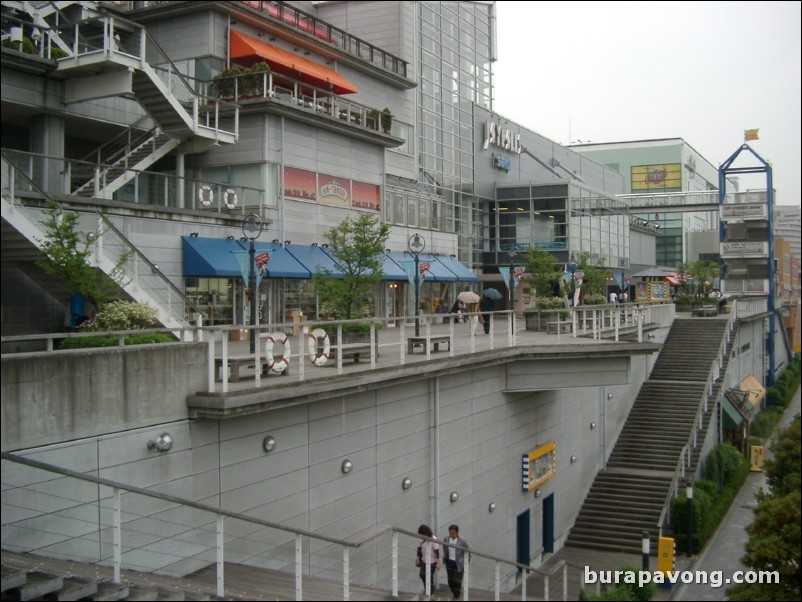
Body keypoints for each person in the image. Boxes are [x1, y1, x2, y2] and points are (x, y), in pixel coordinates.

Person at [442, 524, 469, 600]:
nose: (452, 535)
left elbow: (468, 551)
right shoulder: (446, 539)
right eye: (450, 533)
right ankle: (454, 593)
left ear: (457, 533)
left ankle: (457, 596)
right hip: (449, 562)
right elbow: (444, 548)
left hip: (458, 563)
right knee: (450, 581)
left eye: (453, 533)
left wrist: (466, 562)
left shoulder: (462, 541)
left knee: (457, 581)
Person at [416, 524, 441, 595]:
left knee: (429, 577)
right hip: (424, 559)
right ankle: (426, 589)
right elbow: (419, 548)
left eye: (423, 534)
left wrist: (438, 563)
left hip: (432, 562)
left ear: (426, 533)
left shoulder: (434, 539)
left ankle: (430, 593)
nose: (422, 536)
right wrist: (417, 558)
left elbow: (437, 552)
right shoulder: (422, 538)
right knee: (422, 575)